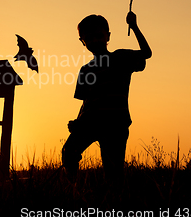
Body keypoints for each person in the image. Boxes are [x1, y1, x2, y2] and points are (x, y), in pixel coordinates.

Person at [62, 11, 152, 182]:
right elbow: (86, 102)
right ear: (83, 42)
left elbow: (146, 53)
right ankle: (73, 190)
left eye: (98, 36)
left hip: (115, 124)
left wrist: (133, 26)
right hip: (89, 122)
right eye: (88, 38)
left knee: (113, 173)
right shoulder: (86, 70)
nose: (94, 41)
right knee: (68, 152)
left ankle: (115, 202)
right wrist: (78, 121)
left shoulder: (120, 58)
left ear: (107, 36)